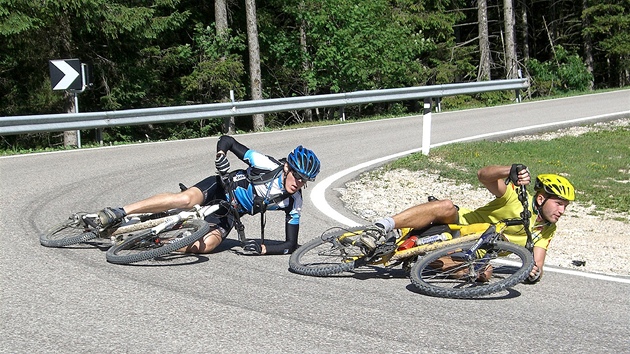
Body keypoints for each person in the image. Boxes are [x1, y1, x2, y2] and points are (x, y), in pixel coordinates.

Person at [97, 135, 321, 255]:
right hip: (221, 187)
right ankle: (120, 211)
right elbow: (228, 140)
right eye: (298, 176)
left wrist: (263, 249)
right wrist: (221, 153)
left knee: (208, 245)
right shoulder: (266, 164)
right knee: (184, 200)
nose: (299, 183)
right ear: (287, 168)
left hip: (231, 212)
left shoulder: (294, 201)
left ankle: (151, 242)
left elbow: (291, 244)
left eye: (305, 181)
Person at [361, 164, 575, 283]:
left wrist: (534, 272)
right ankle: (381, 226)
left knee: (485, 273)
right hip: (456, 226)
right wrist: (508, 170)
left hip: (467, 252)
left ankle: (423, 258)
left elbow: (536, 264)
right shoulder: (516, 199)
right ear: (540, 199)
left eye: (565, 206)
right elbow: (483, 176)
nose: (561, 211)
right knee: (445, 205)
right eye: (558, 204)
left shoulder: (546, 229)